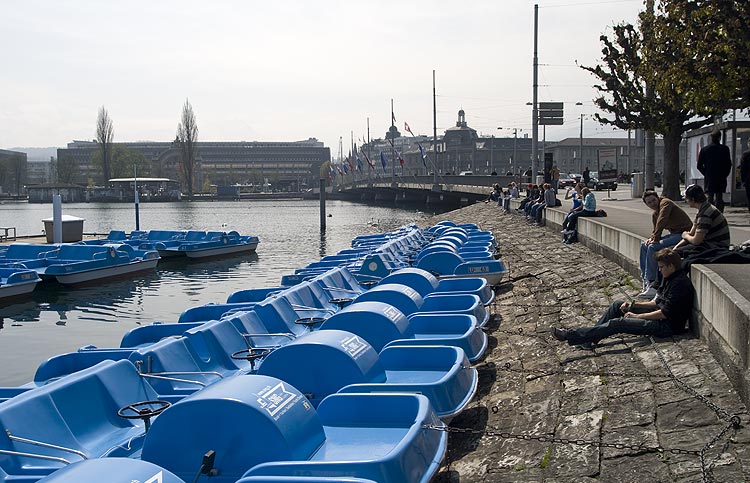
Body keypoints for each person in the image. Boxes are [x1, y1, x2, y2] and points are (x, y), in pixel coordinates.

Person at [550, 248, 693, 347]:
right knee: (617, 305)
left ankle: (570, 335)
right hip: (660, 317)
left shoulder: (679, 284)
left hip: (667, 326)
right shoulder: (668, 278)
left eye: (662, 267)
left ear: (671, 266)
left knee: (618, 324)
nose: (660, 270)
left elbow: (663, 313)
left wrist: (637, 317)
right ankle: (589, 339)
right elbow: (655, 303)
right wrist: (632, 305)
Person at [637, 190, 693, 299]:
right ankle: (646, 280)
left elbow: (662, 219)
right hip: (675, 235)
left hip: (684, 234)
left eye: (653, 200)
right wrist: (651, 238)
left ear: (658, 197)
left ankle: (653, 284)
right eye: (649, 202)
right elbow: (655, 229)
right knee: (644, 245)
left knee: (653, 247)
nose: (652, 203)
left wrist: (655, 238)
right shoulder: (654, 214)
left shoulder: (666, 203)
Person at [673, 184, 730, 256]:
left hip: (717, 247)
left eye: (687, 198)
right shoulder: (702, 209)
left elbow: (696, 241)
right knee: (672, 251)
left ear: (693, 200)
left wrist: (685, 235)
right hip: (708, 244)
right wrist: (676, 247)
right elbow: (691, 233)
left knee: (676, 255)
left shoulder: (706, 214)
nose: (686, 201)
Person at [697, 130, 732, 212]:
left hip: (710, 176)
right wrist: (725, 174)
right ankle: (719, 214)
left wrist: (706, 173)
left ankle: (710, 214)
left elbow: (699, 165)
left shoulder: (705, 149)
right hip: (721, 176)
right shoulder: (724, 149)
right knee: (719, 196)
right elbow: (728, 164)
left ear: (711, 138)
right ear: (719, 138)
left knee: (710, 196)